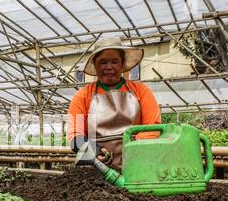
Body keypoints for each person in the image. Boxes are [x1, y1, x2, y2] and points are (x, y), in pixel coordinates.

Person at [67, 37, 161, 170]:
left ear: (122, 64)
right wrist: (96, 151)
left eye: (114, 61)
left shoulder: (141, 91)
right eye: (103, 62)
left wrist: (132, 149)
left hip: (137, 164)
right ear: (95, 64)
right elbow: (76, 135)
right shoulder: (82, 96)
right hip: (95, 168)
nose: (109, 67)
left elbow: (153, 128)